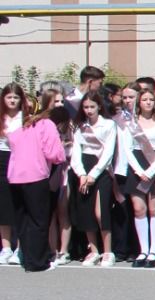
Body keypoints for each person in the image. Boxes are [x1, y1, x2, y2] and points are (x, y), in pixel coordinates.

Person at [6, 91, 67, 271]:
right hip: (36, 175)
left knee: (23, 220)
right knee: (39, 220)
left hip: (15, 176)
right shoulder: (46, 124)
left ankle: (27, 258)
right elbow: (54, 154)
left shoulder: (20, 126)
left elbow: (11, 143)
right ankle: (38, 262)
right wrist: (61, 152)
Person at [120, 87, 155, 268]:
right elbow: (127, 148)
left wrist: (151, 170)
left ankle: (153, 251)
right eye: (144, 99)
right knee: (139, 209)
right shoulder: (131, 123)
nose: (148, 102)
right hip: (137, 167)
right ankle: (143, 249)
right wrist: (137, 169)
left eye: (151, 99)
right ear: (139, 103)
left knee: (154, 209)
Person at [68, 91, 119, 267]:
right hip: (83, 168)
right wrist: (81, 173)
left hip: (101, 170)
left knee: (100, 212)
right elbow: (76, 151)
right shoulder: (79, 126)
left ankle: (108, 251)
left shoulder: (109, 125)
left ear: (99, 107)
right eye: (86, 107)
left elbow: (108, 152)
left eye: (92, 106)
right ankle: (94, 250)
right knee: (86, 210)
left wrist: (93, 174)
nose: (89, 110)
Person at [0, 82, 29, 266]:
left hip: (20, 161)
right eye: (9, 97)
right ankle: (6, 248)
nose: (12, 100)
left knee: (20, 205)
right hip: (1, 160)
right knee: (3, 206)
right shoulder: (1, 118)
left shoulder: (25, 119)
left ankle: (20, 248)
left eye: (16, 97)